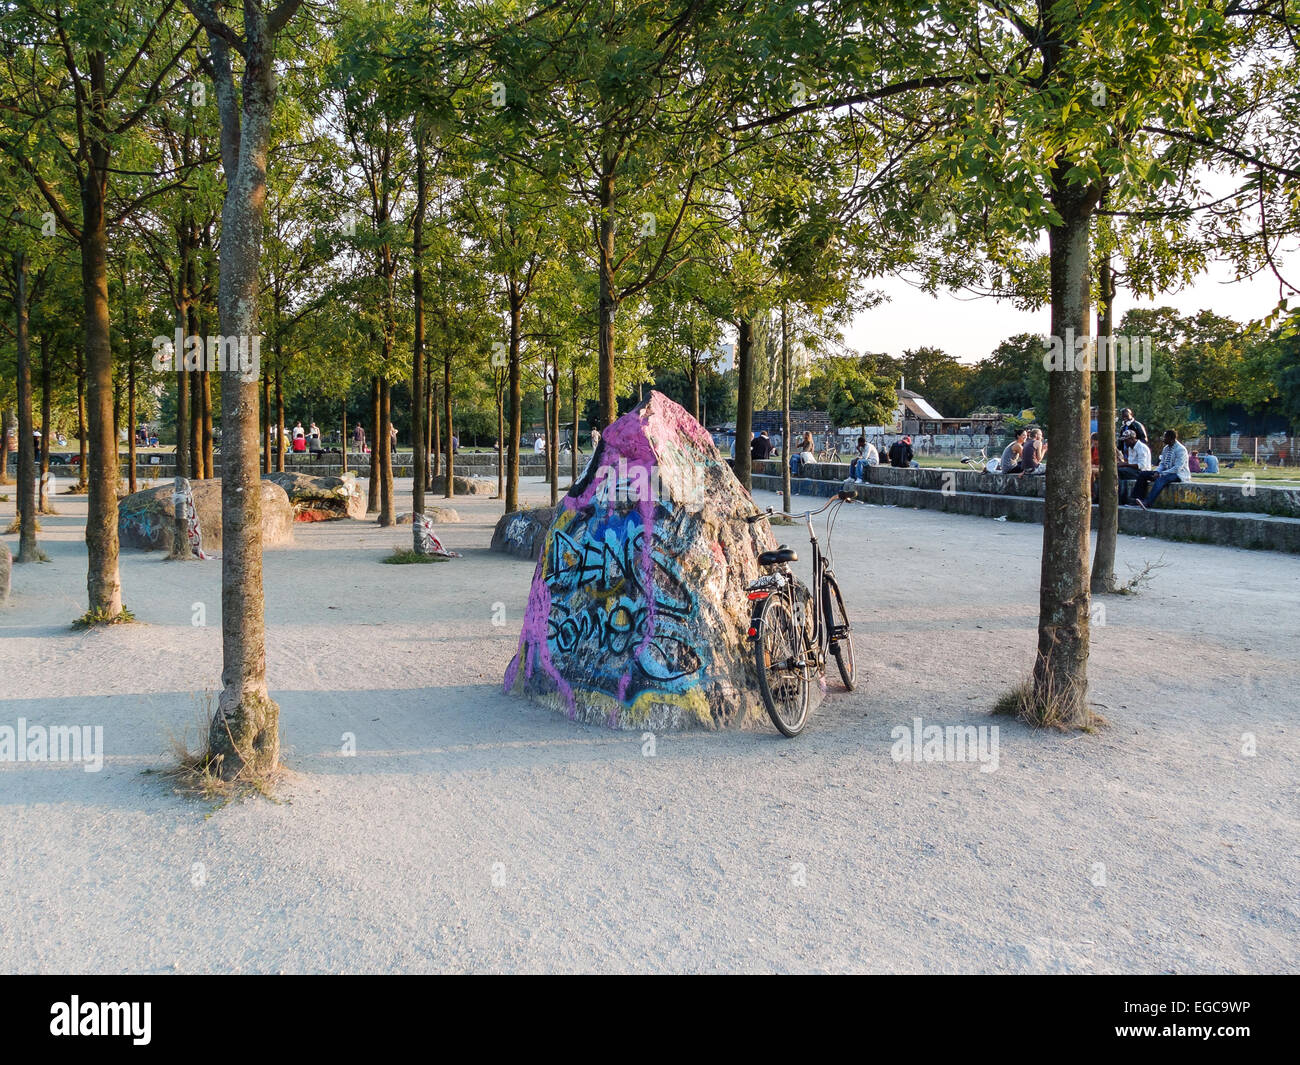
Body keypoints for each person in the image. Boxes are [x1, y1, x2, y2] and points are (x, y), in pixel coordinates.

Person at [1137, 428, 1191, 509]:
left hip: (1178, 474)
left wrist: (1161, 474)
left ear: (1171, 439)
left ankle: (1147, 502)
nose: (1163, 439)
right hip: (1165, 472)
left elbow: (1177, 468)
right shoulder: (1166, 448)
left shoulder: (1181, 450)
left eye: (1165, 437)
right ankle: (1137, 499)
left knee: (1161, 479)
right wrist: (1157, 471)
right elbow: (1162, 463)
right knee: (1143, 474)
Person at [1117, 429, 1151, 503]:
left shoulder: (1142, 448)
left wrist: (1125, 464)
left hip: (1142, 472)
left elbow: (1141, 466)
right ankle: (1120, 497)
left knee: (1118, 471)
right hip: (1132, 471)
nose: (1125, 443)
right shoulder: (1130, 448)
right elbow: (1131, 462)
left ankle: (1121, 497)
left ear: (1132, 439)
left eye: (1126, 440)